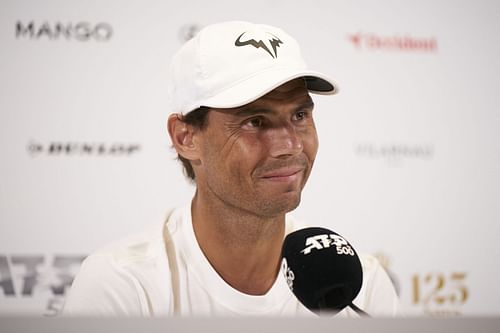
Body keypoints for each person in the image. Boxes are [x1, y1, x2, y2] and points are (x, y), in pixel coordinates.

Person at [63, 21, 399, 317]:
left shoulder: (361, 288)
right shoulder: (122, 286)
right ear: (186, 137)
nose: (291, 146)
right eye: (255, 122)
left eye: (300, 116)